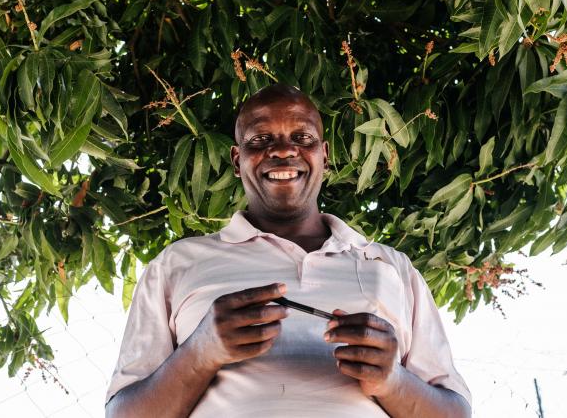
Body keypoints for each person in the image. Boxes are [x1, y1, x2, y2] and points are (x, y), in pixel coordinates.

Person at [105, 84, 471, 418]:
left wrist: (393, 381)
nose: (281, 150)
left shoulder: (389, 266)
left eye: (302, 137)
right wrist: (200, 352)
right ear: (237, 160)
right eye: (260, 139)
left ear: (324, 156)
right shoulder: (177, 264)